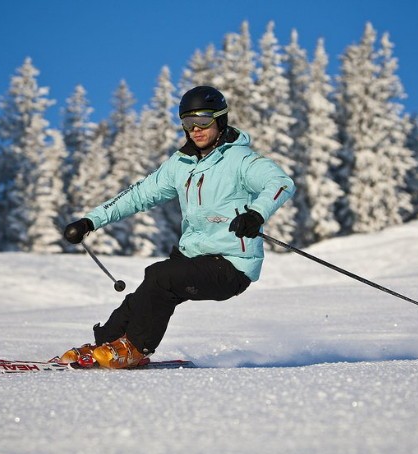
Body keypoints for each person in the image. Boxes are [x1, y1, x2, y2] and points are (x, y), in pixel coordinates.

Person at [61, 86, 294, 368]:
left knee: (161, 276)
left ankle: (134, 349)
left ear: (221, 120)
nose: (195, 129)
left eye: (203, 121)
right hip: (194, 257)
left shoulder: (240, 159)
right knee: (144, 296)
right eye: (187, 122)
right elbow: (139, 194)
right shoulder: (180, 164)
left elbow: (281, 182)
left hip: (232, 264)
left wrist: (256, 214)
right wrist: (90, 221)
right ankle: (104, 345)